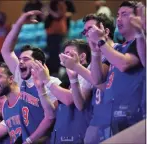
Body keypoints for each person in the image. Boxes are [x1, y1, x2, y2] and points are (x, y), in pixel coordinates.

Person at [1, 10, 61, 143]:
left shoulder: (52, 83)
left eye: (26, 59)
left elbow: (50, 119)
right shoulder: (21, 78)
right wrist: (19, 23)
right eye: (20, 59)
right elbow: (6, 50)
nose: (21, 61)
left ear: (38, 63)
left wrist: (29, 140)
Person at [87, 0, 144, 136]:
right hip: (113, 119)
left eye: (124, 14)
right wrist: (95, 51)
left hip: (134, 117)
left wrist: (101, 42)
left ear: (137, 18)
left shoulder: (140, 43)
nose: (118, 19)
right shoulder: (118, 48)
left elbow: (124, 64)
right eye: (117, 15)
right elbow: (97, 79)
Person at [59, 13, 116, 143]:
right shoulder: (92, 64)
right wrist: (73, 79)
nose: (86, 34)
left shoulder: (117, 51)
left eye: (89, 29)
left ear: (105, 31)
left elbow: (99, 81)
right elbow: (80, 104)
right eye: (84, 31)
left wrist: (77, 67)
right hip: (98, 123)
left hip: (116, 119)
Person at [31, 39, 92, 143]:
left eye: (69, 54)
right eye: (64, 54)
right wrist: (41, 88)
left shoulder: (87, 74)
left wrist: (47, 80)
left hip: (79, 138)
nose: (65, 58)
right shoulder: (65, 80)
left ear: (82, 56)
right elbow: (51, 113)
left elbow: (69, 99)